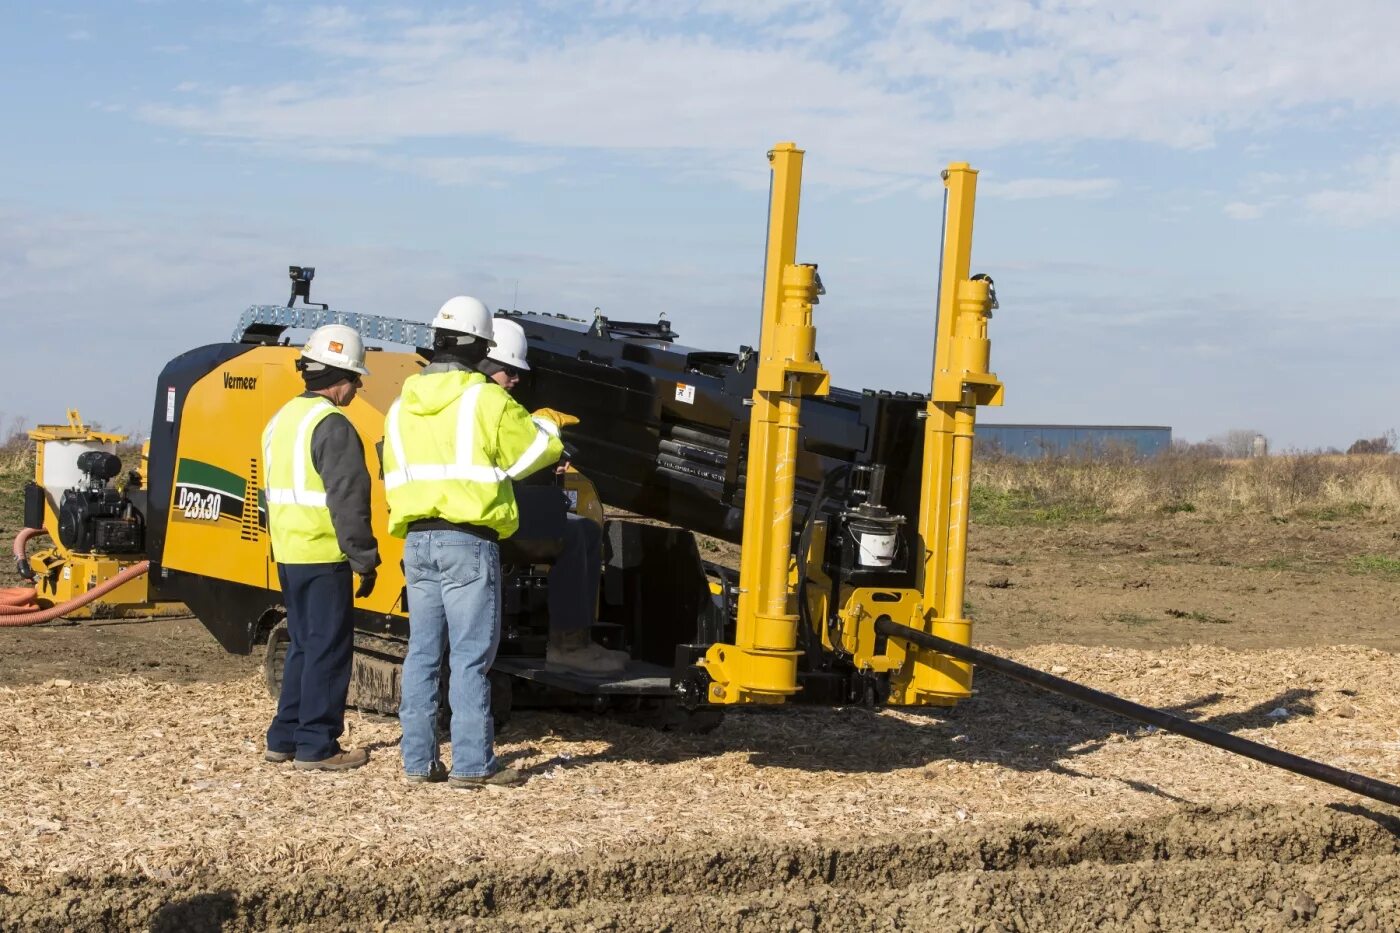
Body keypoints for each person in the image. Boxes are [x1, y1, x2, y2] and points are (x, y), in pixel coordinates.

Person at [384, 296, 564, 788]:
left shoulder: (400, 406)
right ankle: (471, 765)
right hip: (467, 542)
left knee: (422, 653)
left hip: (416, 543)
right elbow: (537, 452)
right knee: (469, 657)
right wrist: (549, 424)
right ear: (482, 348)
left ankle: (417, 763)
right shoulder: (486, 400)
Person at [479, 319, 628, 677]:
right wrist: (547, 435)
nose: (515, 381)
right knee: (579, 533)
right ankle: (570, 645)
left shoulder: (436, 397)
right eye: (510, 372)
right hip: (489, 516)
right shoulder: (495, 404)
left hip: (444, 520)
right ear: (490, 365)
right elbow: (518, 462)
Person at [262, 324, 380, 771]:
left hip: (289, 554)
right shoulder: (333, 426)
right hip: (325, 555)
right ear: (340, 379)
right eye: (357, 379)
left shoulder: (281, 420)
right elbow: (348, 501)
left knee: (303, 647)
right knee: (329, 650)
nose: (358, 388)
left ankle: (284, 737)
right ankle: (317, 746)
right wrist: (364, 559)